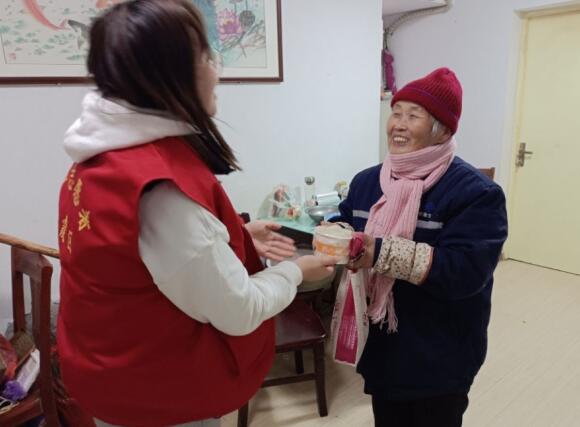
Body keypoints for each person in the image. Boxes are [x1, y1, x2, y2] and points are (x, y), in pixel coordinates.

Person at [56, 1, 337, 426]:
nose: (215, 70)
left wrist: (235, 235)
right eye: (207, 55)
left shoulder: (99, 160)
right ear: (171, 73)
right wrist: (297, 271)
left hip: (109, 372)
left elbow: (140, 257)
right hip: (161, 397)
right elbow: (239, 311)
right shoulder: (161, 192)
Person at [332, 67, 508, 426]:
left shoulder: (476, 193)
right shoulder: (367, 182)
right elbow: (347, 220)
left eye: (413, 116)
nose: (398, 124)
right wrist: (334, 234)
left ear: (442, 130)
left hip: (438, 354)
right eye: (396, 112)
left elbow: (464, 272)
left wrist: (378, 251)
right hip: (381, 346)